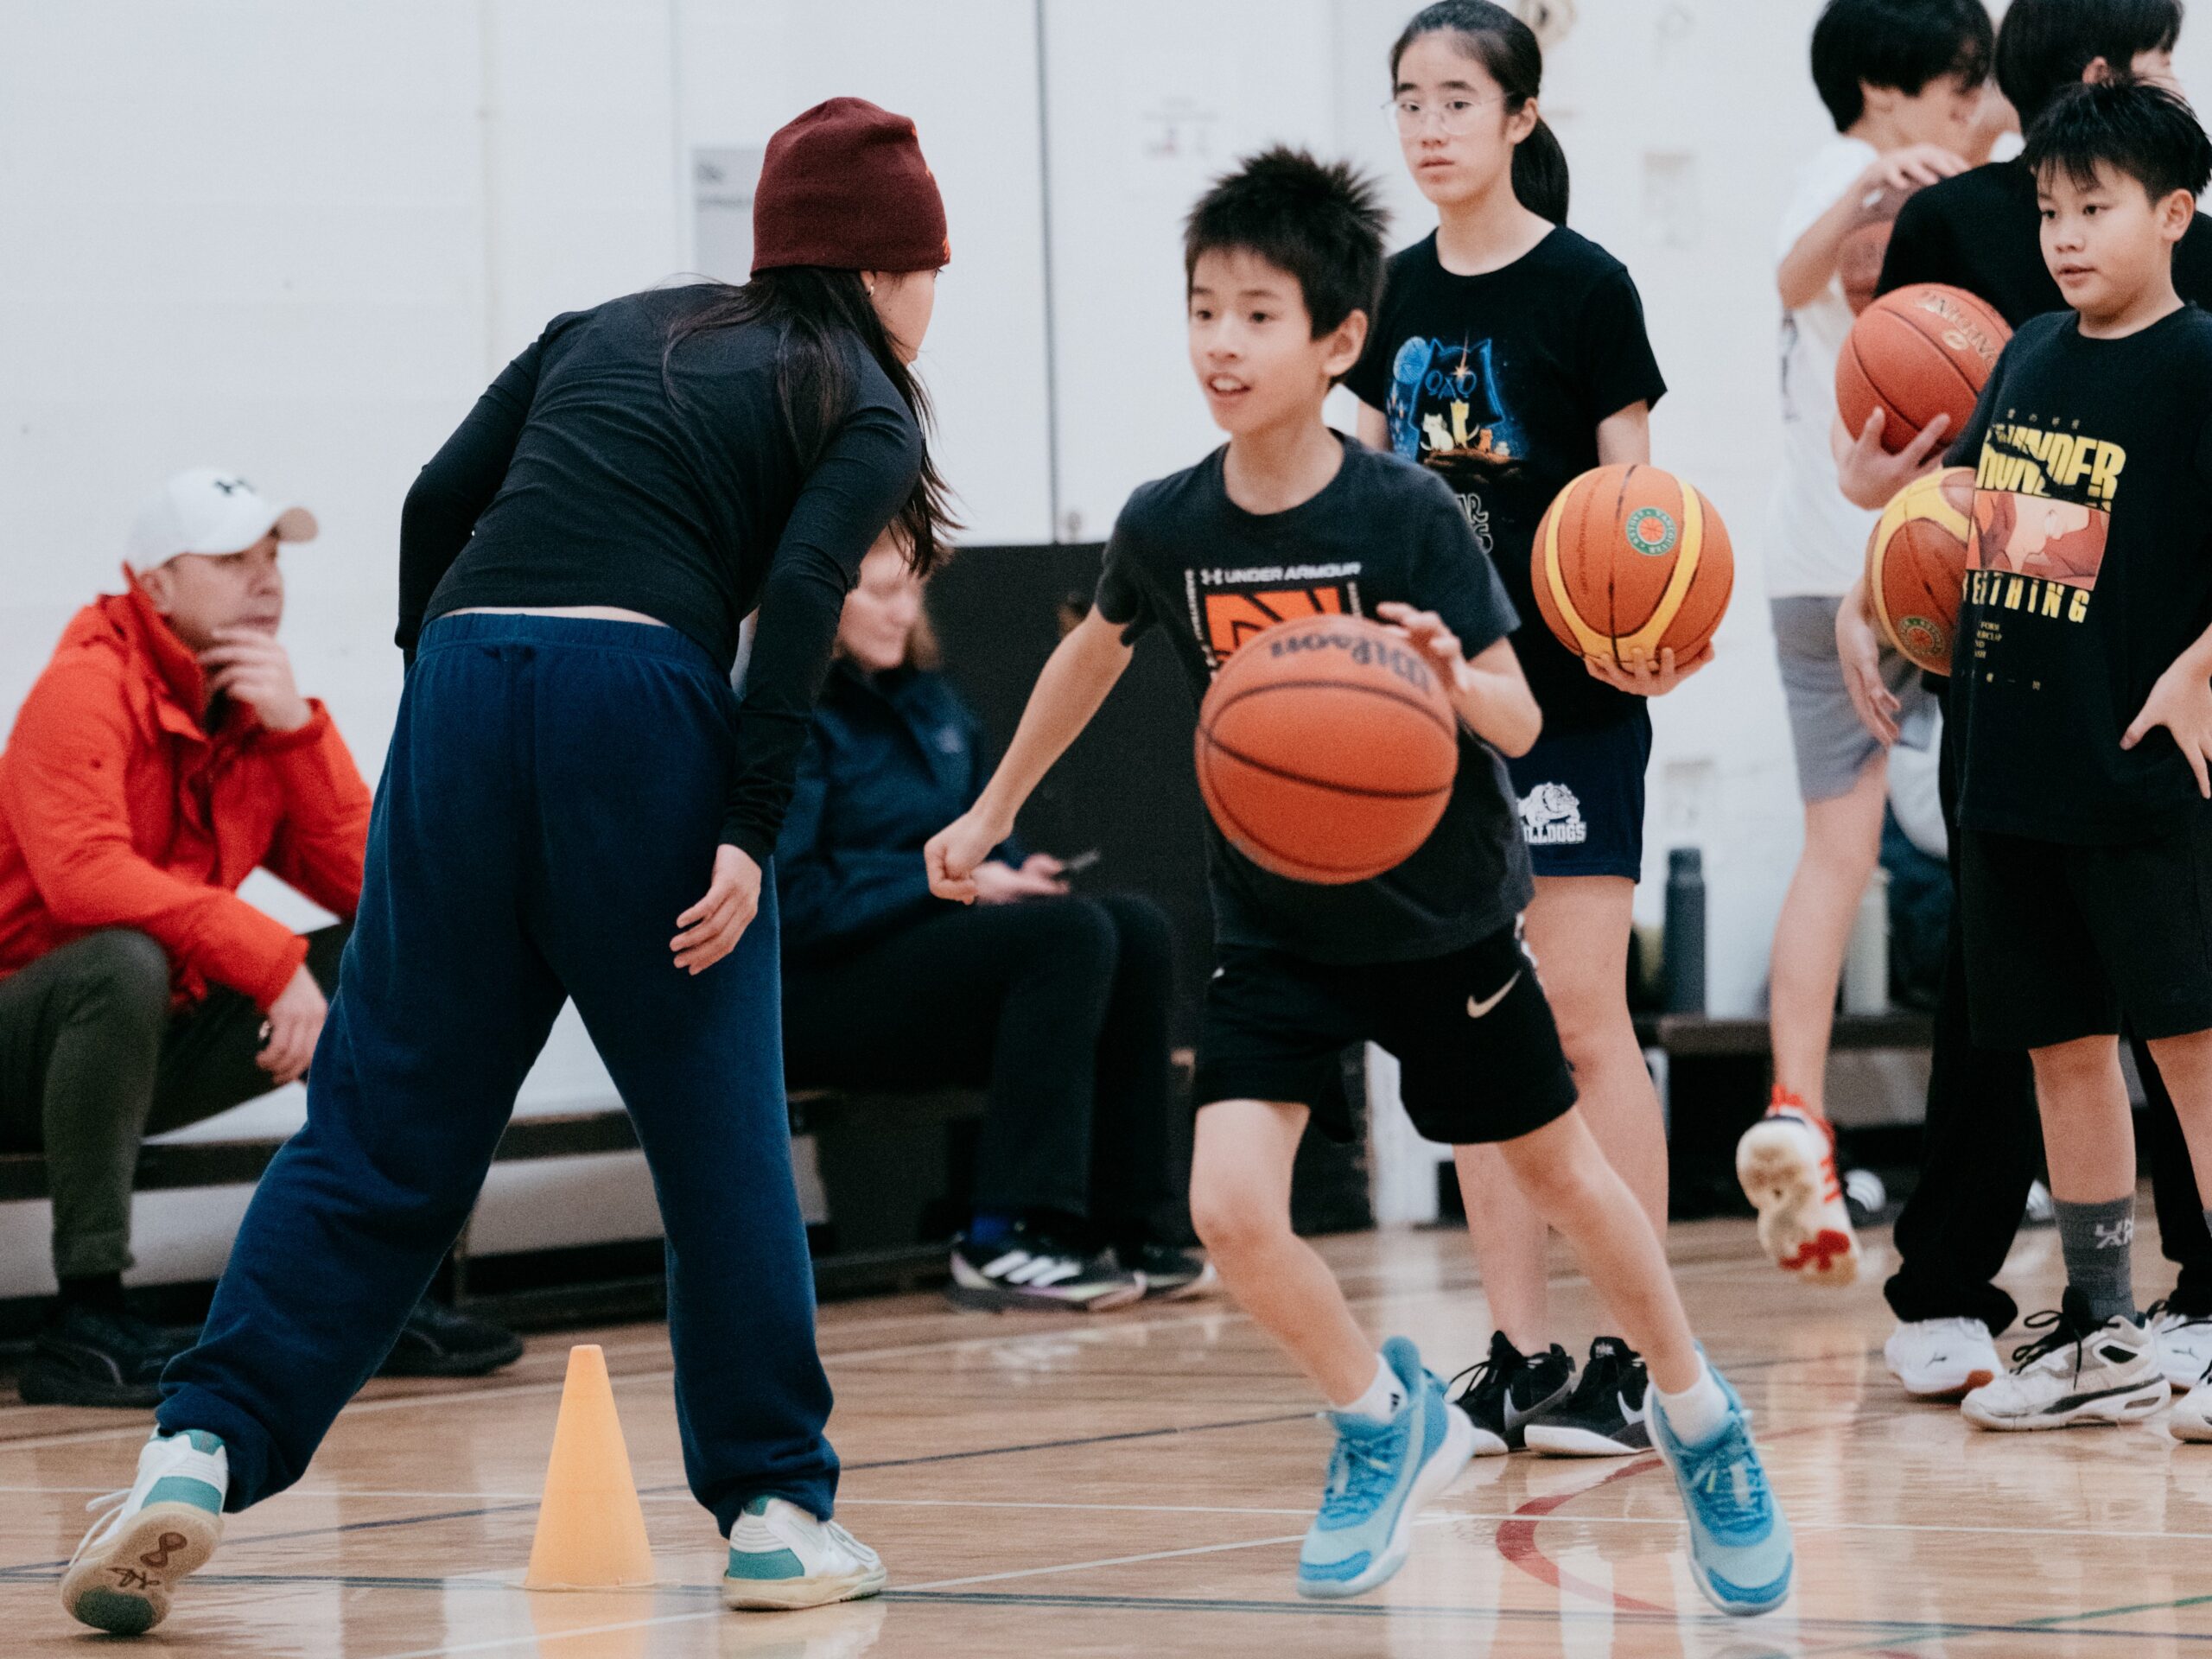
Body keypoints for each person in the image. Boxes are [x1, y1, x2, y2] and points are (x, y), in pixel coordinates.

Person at [62, 98, 949, 1635]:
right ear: (891, 269)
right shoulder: (862, 395)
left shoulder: (602, 327)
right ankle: (772, 1512)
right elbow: (802, 595)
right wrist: (745, 826)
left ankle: (198, 1446)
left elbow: (430, 503)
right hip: (644, 712)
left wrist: (445, 703)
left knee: (380, 1133)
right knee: (717, 1128)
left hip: (468, 684)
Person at [926, 146, 1790, 1615]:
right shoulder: (1173, 521)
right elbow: (1095, 644)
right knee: (1231, 1213)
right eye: (1203, 309)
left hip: (1442, 918)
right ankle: (1377, 1419)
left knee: (1569, 1180)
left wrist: (1457, 683)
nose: (1220, 343)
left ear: (1340, 344)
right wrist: (991, 805)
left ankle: (1701, 1416)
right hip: (1276, 922)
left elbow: (1521, 719)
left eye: (1258, 316)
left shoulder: (1403, 519)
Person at [1832, 0, 2212, 1403]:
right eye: (2049, 207)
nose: (2063, 234)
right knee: (2061, 1051)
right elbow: (1992, 536)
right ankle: (2103, 1323)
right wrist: (1875, 585)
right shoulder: (2027, 358)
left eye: (2094, 208)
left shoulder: (2198, 364)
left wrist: (2198, 666)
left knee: (2187, 1049)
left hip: (2140, 775)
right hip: (2013, 767)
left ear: (2174, 213)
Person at [1347, 0, 1684, 1461]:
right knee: (1473, 1024)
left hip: (1574, 701)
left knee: (1587, 1015)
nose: (1429, 126)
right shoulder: (1386, 293)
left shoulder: (1587, 288)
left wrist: (1655, 622)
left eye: (1458, 100)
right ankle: (1516, 1354)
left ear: (1520, 119)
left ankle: (1631, 1354)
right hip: (1435, 714)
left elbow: (1642, 511)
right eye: (1409, 100)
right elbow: (1355, 493)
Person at [0, 469, 519, 1411]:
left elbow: (384, 883)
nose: (267, 579)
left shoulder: (247, 712)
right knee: (123, 960)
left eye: (273, 557)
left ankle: (374, 1292)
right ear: (152, 585)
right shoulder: (82, 689)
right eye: (234, 559)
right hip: (23, 1042)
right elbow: (84, 879)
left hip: (137, 1045)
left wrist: (295, 734)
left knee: (393, 947)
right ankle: (83, 1317)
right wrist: (270, 960)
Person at [777, 532, 1209, 1309]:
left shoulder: (937, 703)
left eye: (910, 592)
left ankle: (1136, 1224)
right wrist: (946, 880)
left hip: (936, 964)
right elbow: (795, 898)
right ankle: (1010, 1233)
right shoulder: (794, 716)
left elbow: (988, 835)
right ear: (823, 601)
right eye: (878, 593)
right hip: (825, 987)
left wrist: (1016, 872)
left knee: (1134, 929)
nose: (899, 612)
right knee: (1068, 939)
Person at [1737, 0, 1996, 1291]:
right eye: (1958, 89)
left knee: (1835, 857)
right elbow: (1791, 273)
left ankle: (1800, 1113)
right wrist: (1866, 196)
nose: (1972, 112)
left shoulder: (1896, 164)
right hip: (1914, 554)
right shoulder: (1852, 175)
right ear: (1893, 93)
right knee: (2017, 840)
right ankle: (2059, 1132)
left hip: (1805, 568)